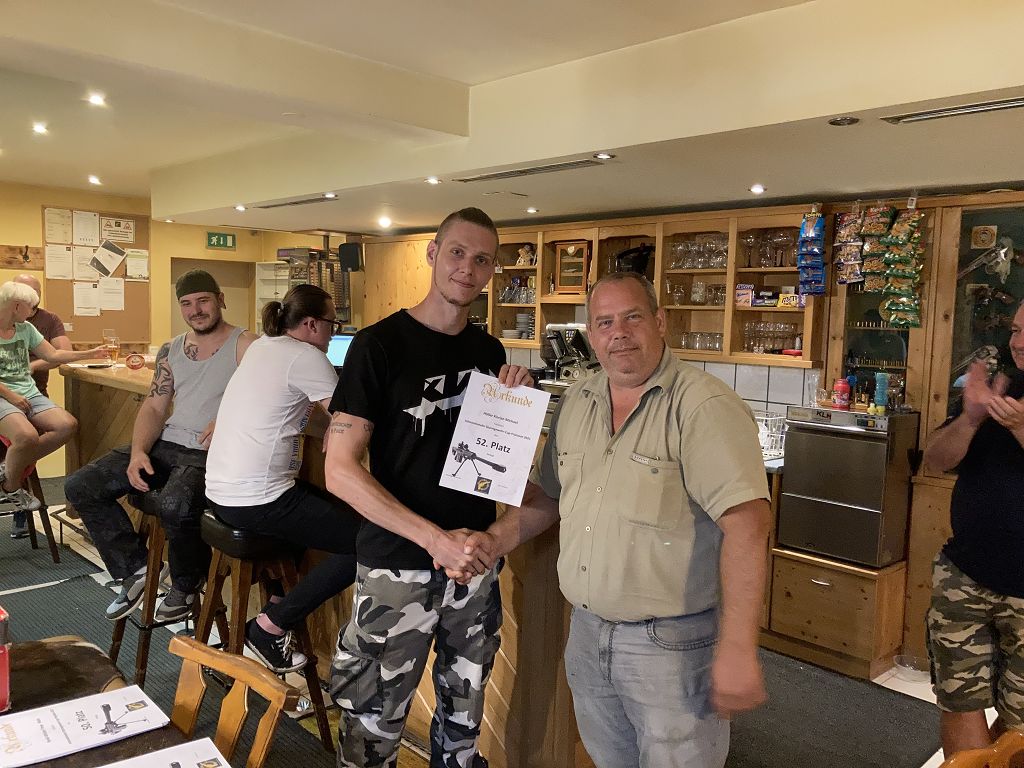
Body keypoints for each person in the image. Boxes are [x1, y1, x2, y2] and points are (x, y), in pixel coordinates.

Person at [457, 271, 771, 768]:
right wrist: (493, 541)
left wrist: (738, 648)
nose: (618, 333)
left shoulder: (704, 406)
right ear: (591, 333)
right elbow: (549, 499)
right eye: (604, 323)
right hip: (586, 633)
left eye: (632, 318)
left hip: (673, 646)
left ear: (659, 322)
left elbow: (748, 526)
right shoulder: (578, 400)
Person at [324, 207, 531, 768]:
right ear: (433, 253)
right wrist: (435, 540)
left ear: (492, 270)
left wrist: (516, 397)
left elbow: (490, 458)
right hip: (397, 569)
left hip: (474, 566)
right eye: (457, 253)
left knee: (463, 730)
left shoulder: (489, 352)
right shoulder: (378, 345)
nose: (467, 268)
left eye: (482, 259)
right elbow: (339, 470)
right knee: (371, 731)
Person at [64, 270, 256, 622]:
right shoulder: (172, 349)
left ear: (220, 300)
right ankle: (135, 570)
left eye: (203, 301)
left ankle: (186, 586)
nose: (196, 310)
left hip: (211, 453)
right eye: (187, 303)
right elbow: (154, 406)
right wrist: (138, 451)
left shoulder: (247, 345)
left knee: (175, 505)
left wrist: (230, 419)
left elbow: (269, 397)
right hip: (168, 444)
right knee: (81, 485)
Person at [205, 284, 360, 673]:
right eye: (332, 324)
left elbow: (325, 416)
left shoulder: (264, 346)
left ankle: (275, 604)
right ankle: (269, 628)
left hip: (223, 493)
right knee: (365, 543)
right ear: (311, 324)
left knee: (314, 513)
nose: (333, 333)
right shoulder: (307, 356)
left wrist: (334, 425)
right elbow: (350, 417)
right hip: (256, 498)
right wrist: (340, 425)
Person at [923, 301, 1024, 758]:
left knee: (1019, 724)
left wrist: (1020, 427)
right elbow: (935, 459)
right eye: (1015, 330)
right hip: (964, 575)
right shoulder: (1002, 387)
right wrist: (968, 420)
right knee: (959, 699)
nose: (1017, 343)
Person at [0, 281, 104, 515]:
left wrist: (90, 353)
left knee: (67, 425)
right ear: (16, 306)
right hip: (3, 396)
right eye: (30, 307)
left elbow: (53, 354)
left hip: (28, 392)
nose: (32, 312)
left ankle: (8, 469)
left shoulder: (25, 328)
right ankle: (12, 487)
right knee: (26, 436)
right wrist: (12, 396)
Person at [7, 274, 72, 538]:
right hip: (6, 395)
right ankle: (13, 492)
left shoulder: (48, 319)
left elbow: (61, 352)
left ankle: (14, 494)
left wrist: (34, 365)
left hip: (34, 393)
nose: (32, 300)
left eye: (36, 294)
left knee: (43, 436)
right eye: (26, 293)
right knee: (21, 441)